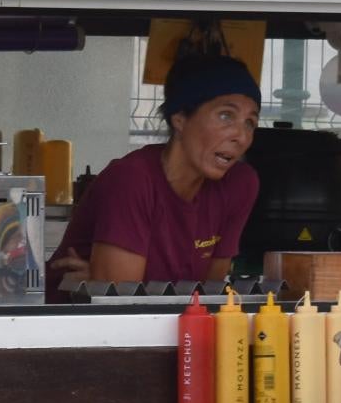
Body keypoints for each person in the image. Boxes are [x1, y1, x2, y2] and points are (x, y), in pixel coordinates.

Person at [45, 52, 261, 297]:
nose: (241, 136)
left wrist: (106, 281)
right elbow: (123, 307)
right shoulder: (131, 179)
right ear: (179, 118)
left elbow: (207, 295)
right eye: (226, 116)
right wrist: (113, 287)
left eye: (250, 122)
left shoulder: (239, 184)